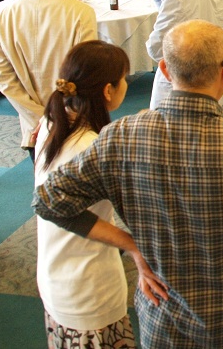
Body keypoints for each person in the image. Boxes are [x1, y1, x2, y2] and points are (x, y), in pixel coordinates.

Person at [32, 19, 223, 348]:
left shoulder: (121, 137)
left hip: (163, 319)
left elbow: (48, 200)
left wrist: (131, 244)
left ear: (163, 69)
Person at [34, 41, 155, 348]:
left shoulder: (53, 120)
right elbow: (55, 207)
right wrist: (132, 244)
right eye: (123, 78)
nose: (126, 84)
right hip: (87, 288)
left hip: (55, 273)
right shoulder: (89, 148)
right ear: (107, 91)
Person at [0, 0, 98, 154]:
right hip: (73, 121)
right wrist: (57, 118)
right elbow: (85, 73)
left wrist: (40, 117)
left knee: (40, 172)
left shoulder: (6, 16)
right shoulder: (80, 13)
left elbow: (3, 78)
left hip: (33, 127)